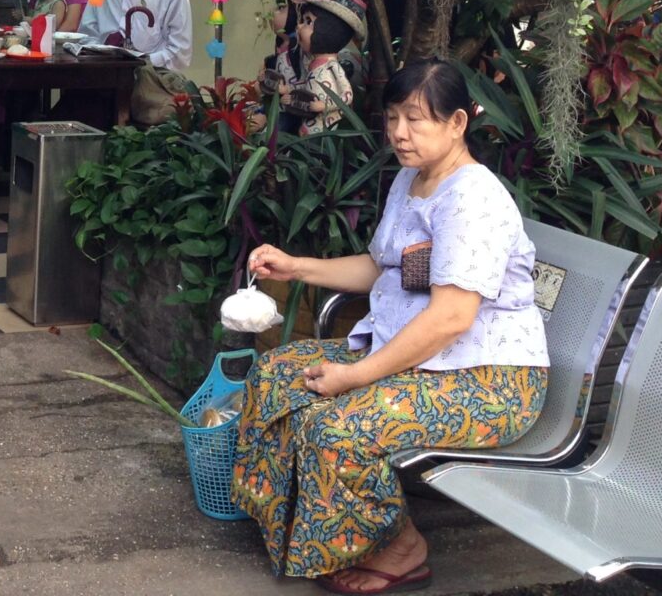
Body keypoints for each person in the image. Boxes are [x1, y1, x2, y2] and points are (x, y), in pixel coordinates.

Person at [233, 60, 549, 592]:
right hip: (419, 359)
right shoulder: (412, 179)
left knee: (338, 426)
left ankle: (400, 545)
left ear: (457, 125)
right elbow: (382, 266)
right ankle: (299, 526)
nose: (400, 133)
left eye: (417, 120)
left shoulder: (472, 201)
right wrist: (296, 266)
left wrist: (356, 377)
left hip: (489, 381)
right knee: (275, 373)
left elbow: (452, 317)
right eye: (393, 118)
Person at [291, 0, 363, 134]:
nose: (299, 26)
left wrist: (324, 105)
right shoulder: (311, 64)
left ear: (329, 31)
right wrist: (290, 92)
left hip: (327, 126)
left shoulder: (332, 66)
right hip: (311, 123)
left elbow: (347, 95)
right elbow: (306, 84)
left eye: (308, 21)